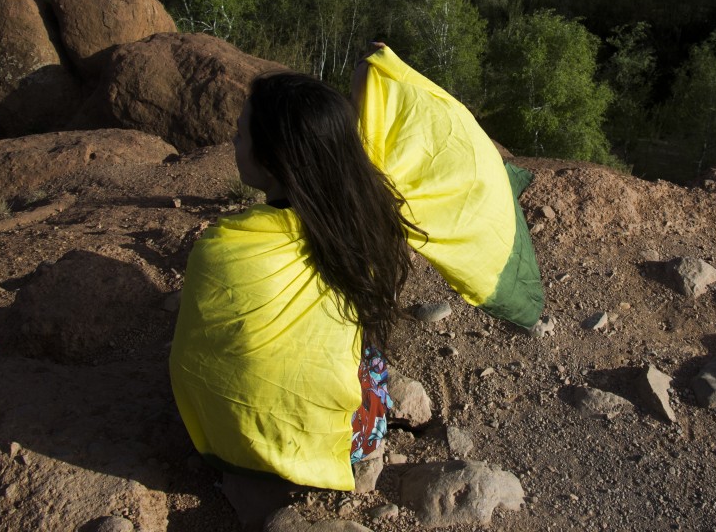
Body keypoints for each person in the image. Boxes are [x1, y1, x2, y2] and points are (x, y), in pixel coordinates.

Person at [170, 46, 542, 517]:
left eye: (241, 133)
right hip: (350, 440)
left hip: (229, 440)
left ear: (271, 160)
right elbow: (366, 86)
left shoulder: (226, 246)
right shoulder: (369, 222)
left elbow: (195, 355)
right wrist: (377, 68)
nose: (233, 140)